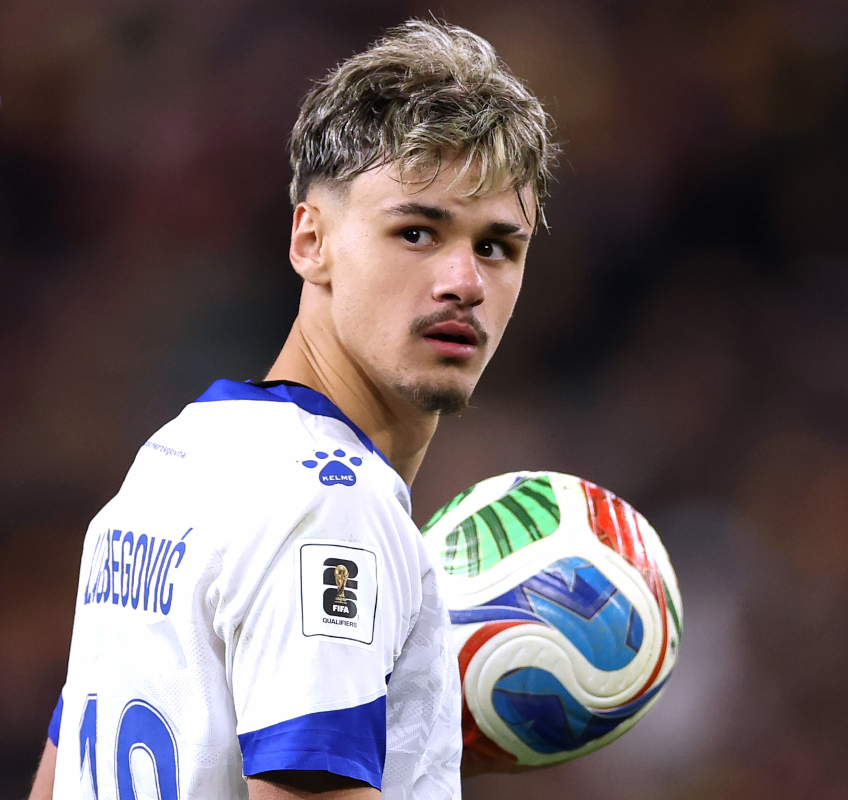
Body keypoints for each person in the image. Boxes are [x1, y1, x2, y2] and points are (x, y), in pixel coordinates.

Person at [27, 18, 558, 800]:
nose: (463, 282)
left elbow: (56, 783)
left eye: (495, 247)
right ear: (311, 241)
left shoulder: (174, 458)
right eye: (416, 231)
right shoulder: (334, 502)